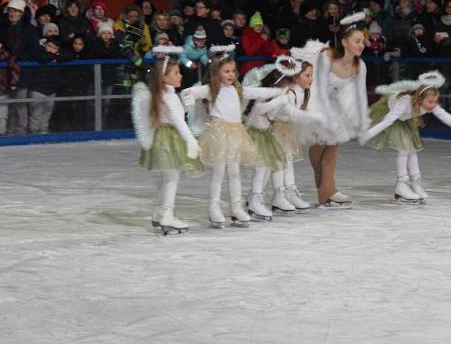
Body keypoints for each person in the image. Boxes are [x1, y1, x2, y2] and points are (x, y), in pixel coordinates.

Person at [180, 45, 282, 228]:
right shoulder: (210, 89)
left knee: (234, 172)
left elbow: (256, 92)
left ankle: (236, 207)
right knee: (219, 172)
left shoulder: (237, 89)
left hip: (236, 133)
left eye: (233, 71)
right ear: (216, 72)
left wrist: (277, 92)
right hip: (219, 132)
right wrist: (187, 100)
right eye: (226, 71)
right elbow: (188, 92)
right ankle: (214, 207)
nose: (231, 74)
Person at [361, 71, 451, 203]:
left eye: (436, 101)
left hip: (406, 118)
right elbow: (387, 121)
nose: (433, 105)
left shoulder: (429, 104)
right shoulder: (404, 103)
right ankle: (401, 184)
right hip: (392, 114)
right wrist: (369, 133)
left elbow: (446, 117)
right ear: (419, 99)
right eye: (430, 101)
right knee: (405, 149)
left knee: (412, 150)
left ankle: (415, 183)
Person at [299, 12, 370, 208]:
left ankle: (328, 189)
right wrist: (327, 118)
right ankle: (325, 189)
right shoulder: (327, 56)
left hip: (333, 102)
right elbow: (318, 88)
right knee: (320, 143)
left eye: (363, 42)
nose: (361, 45)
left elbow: (360, 95)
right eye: (357, 41)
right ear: (345, 42)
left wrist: (363, 122)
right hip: (314, 99)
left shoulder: (359, 65)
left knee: (334, 144)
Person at [133, 46, 203, 234]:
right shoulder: (167, 97)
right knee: (172, 177)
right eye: (177, 73)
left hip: (164, 137)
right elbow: (177, 120)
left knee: (167, 177)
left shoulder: (168, 94)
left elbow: (177, 115)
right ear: (164, 78)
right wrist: (191, 141)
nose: (181, 76)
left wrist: (186, 106)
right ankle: (166, 215)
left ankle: (159, 213)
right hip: (168, 139)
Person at [243, 56, 322, 220]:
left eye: (311, 75)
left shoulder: (299, 92)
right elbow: (286, 112)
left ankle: (280, 193)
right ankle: (267, 195)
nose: (311, 79)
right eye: (307, 75)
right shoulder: (286, 93)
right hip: (272, 130)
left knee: (281, 161)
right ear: (294, 77)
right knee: (272, 163)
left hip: (277, 129)